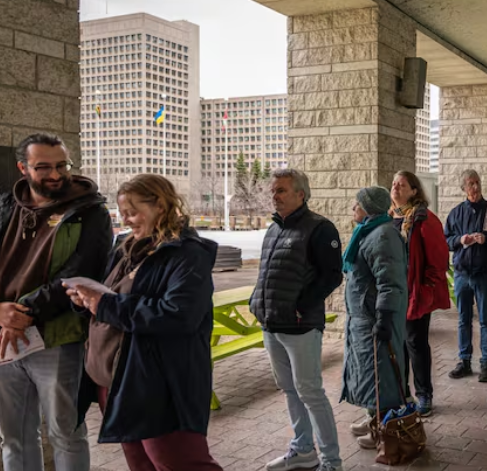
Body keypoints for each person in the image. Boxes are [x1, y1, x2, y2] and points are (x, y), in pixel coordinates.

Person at [67, 174, 222, 471]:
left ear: (160, 206)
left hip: (157, 383)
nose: (125, 220)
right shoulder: (126, 247)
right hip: (118, 380)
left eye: (133, 212)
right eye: (122, 212)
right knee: (141, 464)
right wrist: (87, 301)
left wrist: (105, 305)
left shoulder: (187, 253)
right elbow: (111, 297)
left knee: (179, 463)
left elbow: (179, 315)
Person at [0, 134, 111, 471]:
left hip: (57, 337)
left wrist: (24, 312)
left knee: (66, 433)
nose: (55, 174)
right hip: (3, 335)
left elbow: (81, 273)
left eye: (62, 165)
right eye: (43, 167)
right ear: (23, 168)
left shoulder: (90, 212)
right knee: (14, 437)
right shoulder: (5, 206)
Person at [250, 169, 344, 471]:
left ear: (300, 194)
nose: (274, 196)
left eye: (281, 190)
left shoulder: (320, 228)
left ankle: (331, 462)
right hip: (272, 324)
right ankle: (304, 450)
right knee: (290, 390)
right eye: (273, 190)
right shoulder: (274, 229)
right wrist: (256, 303)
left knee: (310, 392)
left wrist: (301, 306)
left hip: (301, 326)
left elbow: (332, 275)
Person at [341, 187, 408, 450]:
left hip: (375, 318)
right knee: (369, 371)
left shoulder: (382, 236)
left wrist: (384, 317)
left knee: (382, 374)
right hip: (364, 317)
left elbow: (389, 283)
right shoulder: (369, 232)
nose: (353, 208)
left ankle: (384, 428)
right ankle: (373, 417)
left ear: (369, 208)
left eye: (357, 204)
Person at [390, 171, 451, 415]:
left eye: (402, 184)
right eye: (394, 184)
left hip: (415, 291)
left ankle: (424, 394)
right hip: (393, 292)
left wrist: (426, 289)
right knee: (398, 345)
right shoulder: (389, 217)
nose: (396, 187)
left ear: (414, 191)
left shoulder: (424, 218)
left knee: (415, 343)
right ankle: (402, 394)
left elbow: (438, 259)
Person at [444, 170, 487, 377]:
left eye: (477, 182)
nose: (475, 187)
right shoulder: (456, 213)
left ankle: (486, 362)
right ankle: (465, 361)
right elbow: (446, 240)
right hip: (461, 274)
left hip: (483, 274)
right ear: (464, 188)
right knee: (463, 319)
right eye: (471, 184)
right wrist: (461, 240)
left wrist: (485, 240)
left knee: (486, 319)